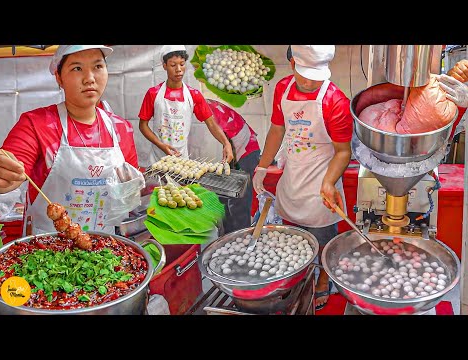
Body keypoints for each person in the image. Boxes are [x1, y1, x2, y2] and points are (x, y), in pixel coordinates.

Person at [0, 45, 140, 236]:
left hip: (103, 245)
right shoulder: (36, 124)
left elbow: (129, 189)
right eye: (77, 68)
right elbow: (12, 171)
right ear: (59, 78)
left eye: (98, 67)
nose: (90, 78)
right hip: (46, 247)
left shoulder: (121, 129)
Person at [252, 45, 353, 311]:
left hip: (322, 178)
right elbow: (277, 129)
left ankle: (322, 280)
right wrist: (262, 167)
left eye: (316, 75)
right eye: (305, 74)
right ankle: (298, 276)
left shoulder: (335, 100)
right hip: (294, 176)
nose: (310, 82)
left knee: (322, 239)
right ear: (294, 63)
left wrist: (329, 182)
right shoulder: (283, 89)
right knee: (294, 239)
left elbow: (343, 152)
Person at [138, 45, 233, 166]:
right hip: (158, 158)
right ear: (164, 66)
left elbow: (211, 123)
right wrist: (161, 145)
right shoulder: (153, 94)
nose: (178, 69)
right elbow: (143, 125)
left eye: (182, 64)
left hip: (181, 159)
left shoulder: (194, 95)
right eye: (173, 65)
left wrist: (226, 143)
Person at [205, 98, 260, 233]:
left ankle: (240, 238)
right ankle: (227, 237)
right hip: (230, 153)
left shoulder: (204, 109)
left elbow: (213, 144)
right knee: (222, 200)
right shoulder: (198, 105)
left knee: (238, 202)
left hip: (245, 150)